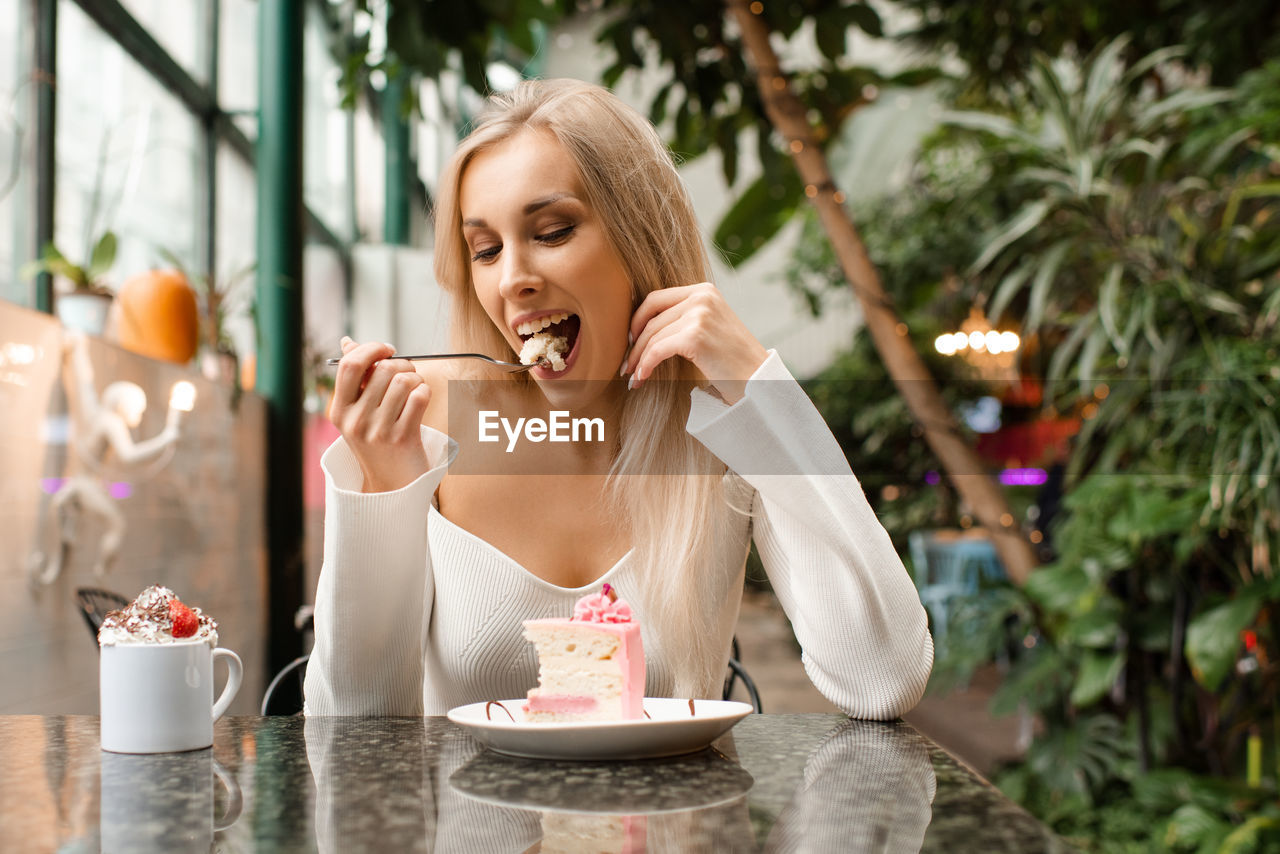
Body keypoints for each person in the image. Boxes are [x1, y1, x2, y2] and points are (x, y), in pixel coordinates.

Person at [304, 78, 932, 719]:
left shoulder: (722, 417)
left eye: (552, 232)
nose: (514, 279)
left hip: (675, 819)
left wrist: (759, 387)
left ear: (640, 240)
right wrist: (382, 493)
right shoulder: (424, 426)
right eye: (486, 250)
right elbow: (351, 731)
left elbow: (883, 678)